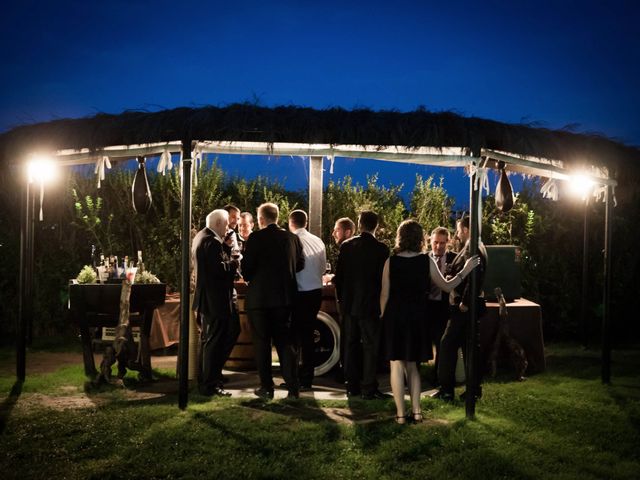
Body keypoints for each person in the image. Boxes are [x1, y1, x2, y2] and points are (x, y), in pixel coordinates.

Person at [380, 220, 480, 424]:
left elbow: (384, 295)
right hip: (417, 316)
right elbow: (446, 285)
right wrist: (466, 270)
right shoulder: (426, 261)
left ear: (400, 236)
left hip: (395, 317)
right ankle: (417, 412)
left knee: (397, 366)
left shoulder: (391, 262)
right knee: (414, 366)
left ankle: (400, 415)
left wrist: (383, 318)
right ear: (420, 238)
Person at [241, 202, 305, 399]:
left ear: (261, 219)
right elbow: (300, 264)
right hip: (285, 299)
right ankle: (293, 387)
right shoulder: (292, 238)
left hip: (260, 300)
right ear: (277, 217)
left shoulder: (255, 238)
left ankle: (266, 388)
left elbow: (247, 269)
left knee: (262, 343)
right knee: (285, 343)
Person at [334, 211, 389, 399]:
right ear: (376, 226)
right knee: (370, 347)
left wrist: (342, 300)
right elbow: (384, 280)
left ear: (359, 223)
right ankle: (368, 386)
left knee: (349, 344)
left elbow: (339, 278)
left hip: (349, 304)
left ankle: (351, 385)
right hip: (371, 305)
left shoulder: (347, 246)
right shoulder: (382, 249)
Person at [435, 216, 488, 402]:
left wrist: (464, 302)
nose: (457, 233)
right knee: (469, 347)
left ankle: (447, 390)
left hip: (464, 309)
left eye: (459, 229)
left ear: (466, 229)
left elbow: (475, 276)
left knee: (447, 345)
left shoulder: (473, 249)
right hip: (465, 306)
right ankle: (473, 389)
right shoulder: (474, 246)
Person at [191, 209, 240, 397]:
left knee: (209, 341)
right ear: (219, 223)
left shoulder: (201, 237)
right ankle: (210, 384)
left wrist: (226, 249)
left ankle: (207, 378)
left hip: (209, 299)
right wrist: (234, 263)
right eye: (226, 224)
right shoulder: (211, 242)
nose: (228, 228)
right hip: (215, 299)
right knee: (213, 342)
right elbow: (219, 271)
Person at [288, 209, 326, 390]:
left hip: (298, 292)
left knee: (293, 336)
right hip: (315, 292)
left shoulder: (291, 240)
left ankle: (293, 376)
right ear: (306, 222)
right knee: (308, 336)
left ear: (290, 222)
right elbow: (323, 269)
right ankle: (307, 378)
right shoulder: (318, 241)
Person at [427, 226, 456, 383]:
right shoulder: (424, 259)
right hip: (426, 306)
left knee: (441, 342)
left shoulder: (454, 259)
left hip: (444, 306)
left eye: (442, 243)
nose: (438, 247)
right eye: (435, 243)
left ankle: (438, 375)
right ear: (430, 241)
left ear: (448, 242)